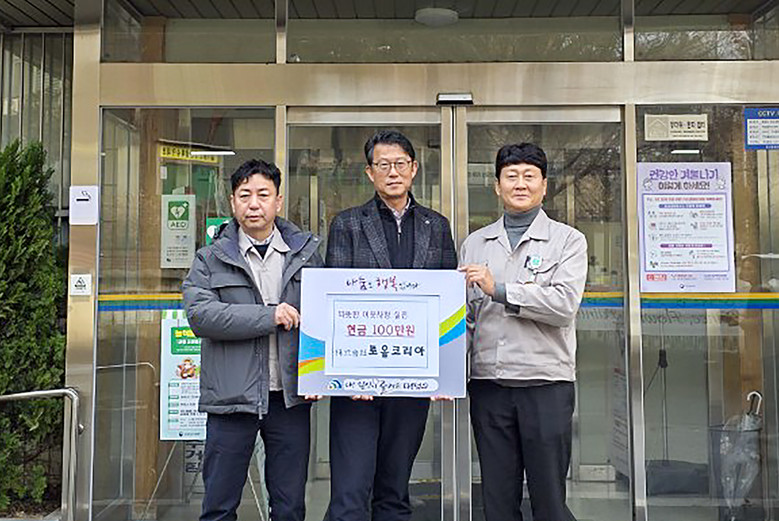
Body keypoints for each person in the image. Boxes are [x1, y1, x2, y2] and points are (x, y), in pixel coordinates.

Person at [325, 130, 457, 521]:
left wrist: (445, 372)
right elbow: (335, 303)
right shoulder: (348, 224)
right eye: (383, 165)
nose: (393, 172)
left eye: (400, 164)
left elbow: (449, 303)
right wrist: (348, 373)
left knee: (395, 489)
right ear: (370, 172)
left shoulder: (436, 225)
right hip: (357, 385)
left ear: (414, 169)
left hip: (412, 377)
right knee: (350, 492)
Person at [182, 159, 323, 521]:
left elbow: (325, 319)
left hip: (289, 399)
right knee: (219, 506)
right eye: (245, 195)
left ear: (278, 201)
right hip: (231, 399)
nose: (254, 204)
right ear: (233, 202)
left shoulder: (306, 255)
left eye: (263, 194)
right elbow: (201, 316)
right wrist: (269, 316)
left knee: (289, 507)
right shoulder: (209, 258)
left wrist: (321, 376)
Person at [459, 143, 588, 521]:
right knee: (497, 499)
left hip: (545, 384)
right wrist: (447, 373)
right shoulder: (475, 243)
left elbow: (563, 305)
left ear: (544, 186)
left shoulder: (568, 240)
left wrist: (499, 289)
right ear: (496, 185)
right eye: (511, 176)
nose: (520, 184)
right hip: (490, 385)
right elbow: (465, 318)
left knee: (549, 499)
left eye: (529, 176)